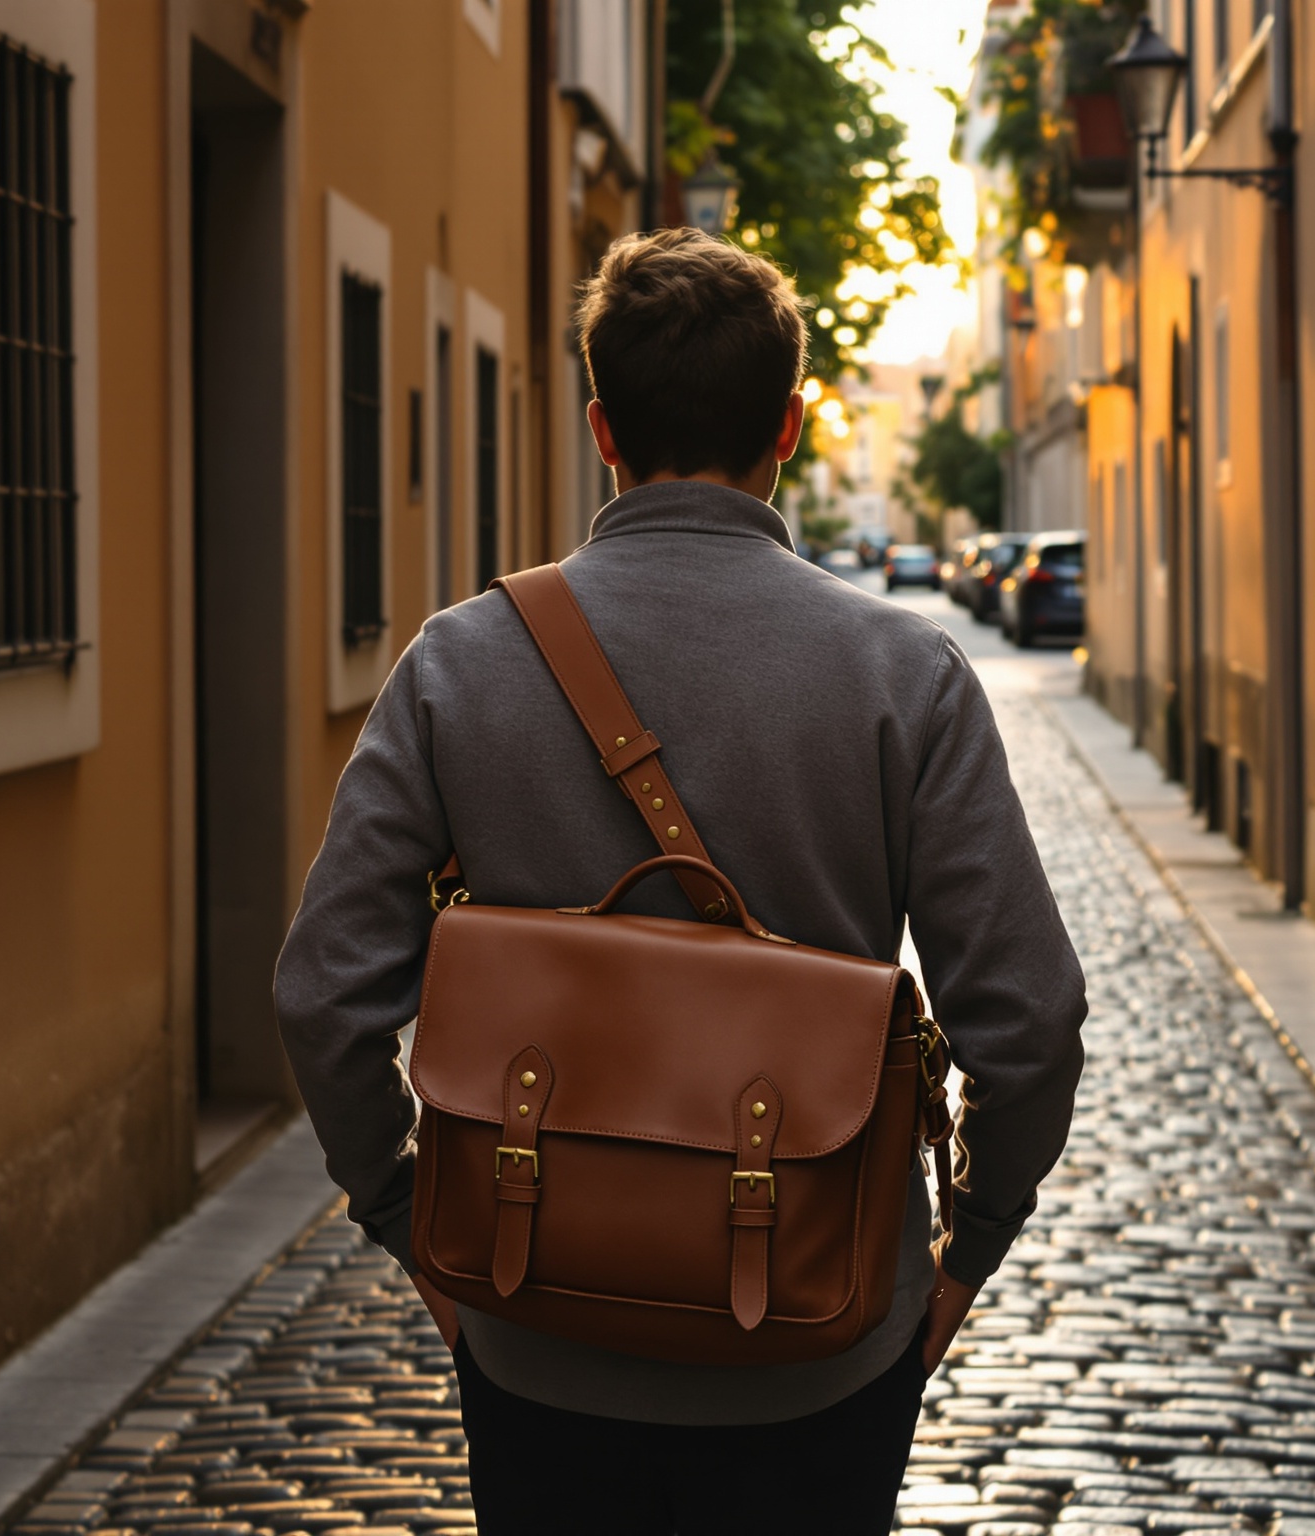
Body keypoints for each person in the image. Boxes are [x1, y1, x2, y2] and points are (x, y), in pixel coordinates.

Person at [273, 227, 1087, 1535]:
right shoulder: (905, 677)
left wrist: (404, 1218)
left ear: (602, 428)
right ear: (792, 422)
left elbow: (323, 996)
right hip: (820, 1344)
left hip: (541, 1333)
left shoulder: (458, 666)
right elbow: (1029, 1023)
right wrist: (960, 1257)